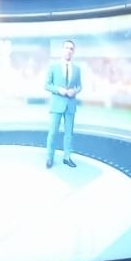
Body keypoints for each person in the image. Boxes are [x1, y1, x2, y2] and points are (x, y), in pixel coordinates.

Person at [45, 39, 82, 168]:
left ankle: (67, 157)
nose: (69, 51)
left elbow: (79, 86)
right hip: (57, 105)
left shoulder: (77, 69)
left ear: (73, 52)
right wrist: (58, 90)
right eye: (66, 48)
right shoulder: (53, 67)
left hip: (70, 106)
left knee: (69, 134)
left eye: (71, 49)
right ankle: (49, 157)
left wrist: (74, 91)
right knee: (53, 132)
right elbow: (47, 85)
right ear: (62, 50)